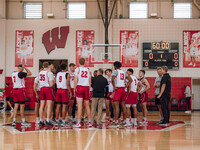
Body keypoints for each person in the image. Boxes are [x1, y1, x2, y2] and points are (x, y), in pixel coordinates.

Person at [111, 61, 132, 127]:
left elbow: (112, 79)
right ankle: (125, 120)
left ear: (115, 66)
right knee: (123, 106)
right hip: (123, 89)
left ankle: (116, 121)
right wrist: (126, 86)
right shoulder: (123, 72)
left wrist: (114, 87)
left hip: (118, 89)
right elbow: (130, 80)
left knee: (116, 106)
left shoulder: (115, 71)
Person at [73, 58, 92, 128]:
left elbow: (75, 80)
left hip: (80, 87)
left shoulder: (77, 69)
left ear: (79, 62)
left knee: (80, 106)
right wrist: (89, 90)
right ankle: (90, 122)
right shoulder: (88, 70)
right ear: (84, 63)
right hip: (86, 87)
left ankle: (78, 122)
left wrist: (75, 89)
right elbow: (90, 81)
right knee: (87, 105)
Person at [38, 62, 55, 126]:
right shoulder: (49, 73)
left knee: (41, 105)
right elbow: (51, 84)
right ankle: (47, 120)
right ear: (48, 66)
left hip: (41, 88)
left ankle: (40, 120)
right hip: (47, 88)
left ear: (43, 66)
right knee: (48, 105)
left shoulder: (40, 73)